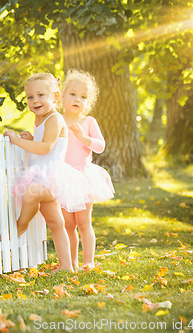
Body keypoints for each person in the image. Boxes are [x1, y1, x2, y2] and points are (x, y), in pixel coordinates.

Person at [4, 73, 93, 272]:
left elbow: (45, 148)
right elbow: (40, 143)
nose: (35, 100)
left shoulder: (55, 119)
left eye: (41, 95)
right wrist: (29, 138)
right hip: (40, 173)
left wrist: (18, 141)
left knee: (32, 192)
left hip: (52, 177)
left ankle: (22, 224)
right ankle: (67, 266)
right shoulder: (39, 119)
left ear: (55, 96)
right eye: (30, 96)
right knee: (56, 223)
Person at [60, 69, 115, 270]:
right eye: (73, 94)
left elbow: (100, 146)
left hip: (83, 177)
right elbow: (45, 142)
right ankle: (71, 261)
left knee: (83, 222)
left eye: (83, 97)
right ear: (62, 96)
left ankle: (88, 261)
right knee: (67, 225)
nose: (77, 99)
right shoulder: (57, 121)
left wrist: (84, 138)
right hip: (63, 179)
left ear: (88, 102)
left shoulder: (89, 122)